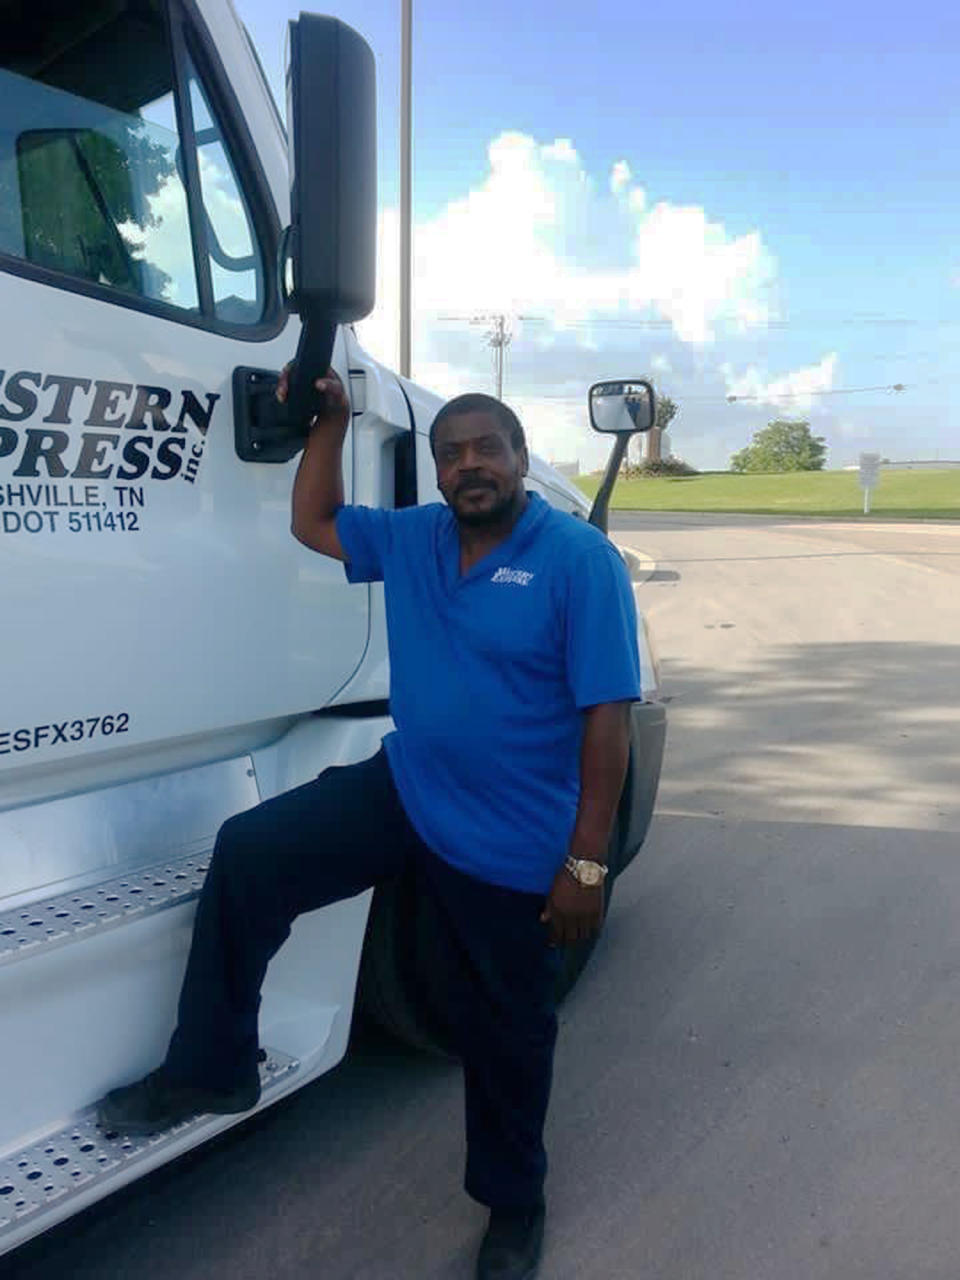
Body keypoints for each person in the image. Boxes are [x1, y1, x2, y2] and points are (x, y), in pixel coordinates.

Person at [98, 369, 643, 1280]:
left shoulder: (578, 560)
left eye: (488, 450)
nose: (471, 466)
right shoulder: (419, 537)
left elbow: (609, 718)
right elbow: (312, 523)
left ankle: (515, 1204)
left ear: (520, 461)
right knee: (252, 853)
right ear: (436, 472)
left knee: (508, 1029)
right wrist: (334, 425)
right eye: (452, 453)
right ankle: (212, 1065)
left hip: (513, 834)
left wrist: (587, 864)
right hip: (409, 787)